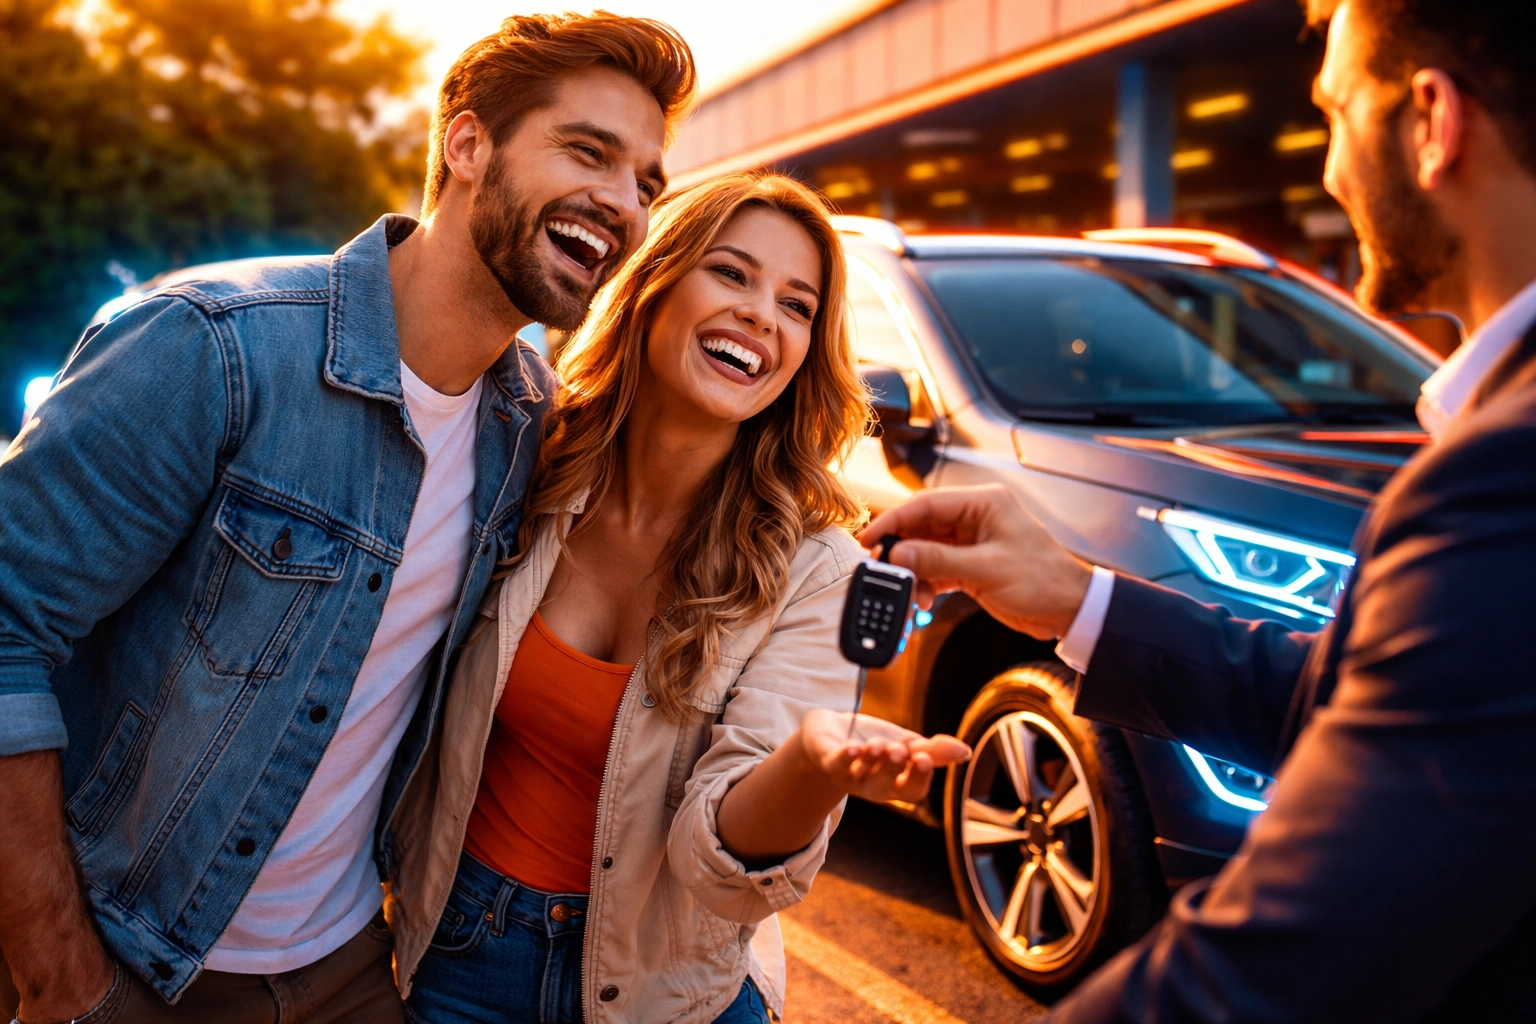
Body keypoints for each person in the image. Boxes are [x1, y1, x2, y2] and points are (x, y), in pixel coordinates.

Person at [0, 14, 694, 1023]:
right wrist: (61, 975)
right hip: (130, 960)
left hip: (351, 967)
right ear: (466, 145)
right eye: (588, 151)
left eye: (645, 181)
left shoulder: (533, 427)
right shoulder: (215, 349)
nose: (622, 202)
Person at [861, 0, 1536, 1020]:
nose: (1329, 170)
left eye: (1337, 112)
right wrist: (1078, 598)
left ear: (1432, 123)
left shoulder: (1501, 477)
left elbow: (1293, 964)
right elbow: (1345, 697)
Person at [387, 172, 972, 1024]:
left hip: (667, 996)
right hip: (457, 953)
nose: (762, 316)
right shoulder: (523, 459)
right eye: (731, 274)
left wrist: (812, 763)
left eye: (797, 305)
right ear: (656, 284)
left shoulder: (816, 570)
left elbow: (718, 868)